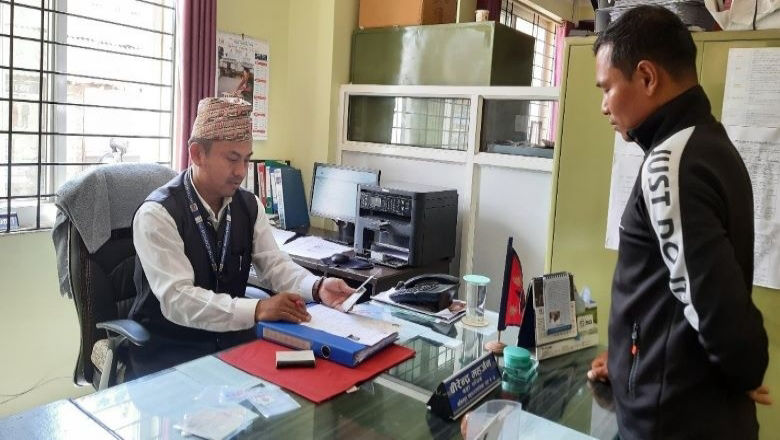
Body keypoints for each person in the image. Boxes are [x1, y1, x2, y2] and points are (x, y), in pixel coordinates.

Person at [585, 5, 770, 439]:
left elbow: (715, 309)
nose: (603, 106)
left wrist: (744, 366)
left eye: (607, 88)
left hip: (669, 424)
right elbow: (673, 289)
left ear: (647, 77)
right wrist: (626, 359)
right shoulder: (708, 143)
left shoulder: (670, 162)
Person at [129, 96, 354, 375]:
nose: (241, 172)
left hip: (232, 345)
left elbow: (274, 265)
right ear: (197, 154)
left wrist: (317, 287)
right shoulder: (158, 214)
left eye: (246, 160)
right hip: (171, 351)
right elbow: (179, 301)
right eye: (232, 159)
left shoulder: (247, 206)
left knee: (303, 384)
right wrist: (258, 309)